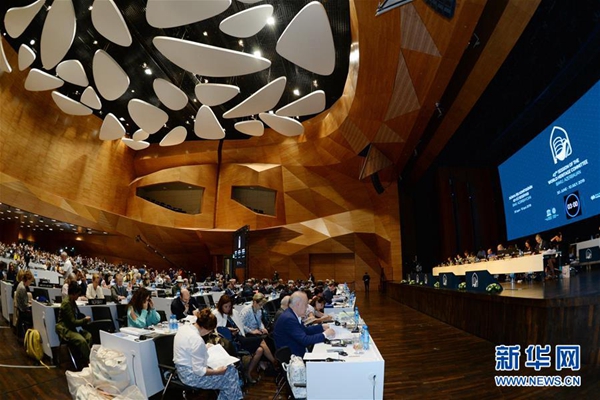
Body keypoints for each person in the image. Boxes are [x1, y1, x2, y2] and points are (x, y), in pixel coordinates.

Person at [173, 309, 243, 400]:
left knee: (230, 373)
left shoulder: (185, 328)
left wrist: (205, 347)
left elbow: (189, 349)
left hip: (182, 371)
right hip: (191, 377)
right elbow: (199, 371)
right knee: (230, 374)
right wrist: (218, 372)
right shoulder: (197, 340)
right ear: (206, 329)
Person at [213, 295, 277, 383]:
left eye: (229, 306)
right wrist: (229, 330)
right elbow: (218, 331)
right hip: (231, 342)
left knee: (260, 350)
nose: (228, 309)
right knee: (261, 340)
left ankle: (248, 372)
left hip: (240, 337)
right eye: (225, 306)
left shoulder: (234, 313)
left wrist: (236, 330)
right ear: (221, 305)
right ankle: (274, 362)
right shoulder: (216, 315)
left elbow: (241, 326)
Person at [272, 291, 335, 357]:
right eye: (306, 304)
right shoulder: (289, 318)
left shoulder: (292, 314)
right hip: (294, 356)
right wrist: (325, 334)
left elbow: (305, 330)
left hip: (297, 350)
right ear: (298, 304)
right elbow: (305, 340)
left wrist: (322, 327)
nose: (307, 307)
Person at [56, 282, 92, 362]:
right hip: (65, 328)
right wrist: (84, 320)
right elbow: (73, 322)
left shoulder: (72, 301)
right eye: (78, 294)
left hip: (71, 327)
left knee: (88, 336)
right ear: (73, 293)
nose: (78, 296)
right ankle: (89, 360)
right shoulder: (66, 303)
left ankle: (83, 356)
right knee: (82, 340)